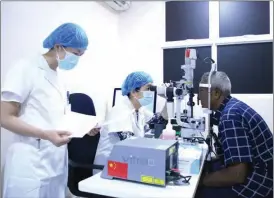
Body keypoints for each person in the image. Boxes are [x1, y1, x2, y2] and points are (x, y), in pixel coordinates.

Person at [1, 23, 99, 198]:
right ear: (58, 46)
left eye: (81, 55)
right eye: (76, 54)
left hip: (55, 163)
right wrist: (46, 134)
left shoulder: (59, 77)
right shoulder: (26, 68)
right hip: (30, 164)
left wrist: (84, 128)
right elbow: (5, 117)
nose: (77, 59)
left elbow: (55, 116)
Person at [196, 71, 273, 198]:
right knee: (209, 167)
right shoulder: (233, 106)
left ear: (216, 93)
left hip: (260, 181)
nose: (198, 97)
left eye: (201, 92)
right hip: (255, 169)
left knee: (199, 192)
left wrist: (201, 181)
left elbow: (237, 175)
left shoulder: (230, 117)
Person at [93, 71, 168, 173]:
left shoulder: (139, 109)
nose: (151, 92)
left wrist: (168, 99)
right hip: (109, 168)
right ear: (133, 92)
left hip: (126, 162)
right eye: (148, 88)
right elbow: (129, 146)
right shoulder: (120, 110)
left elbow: (161, 121)